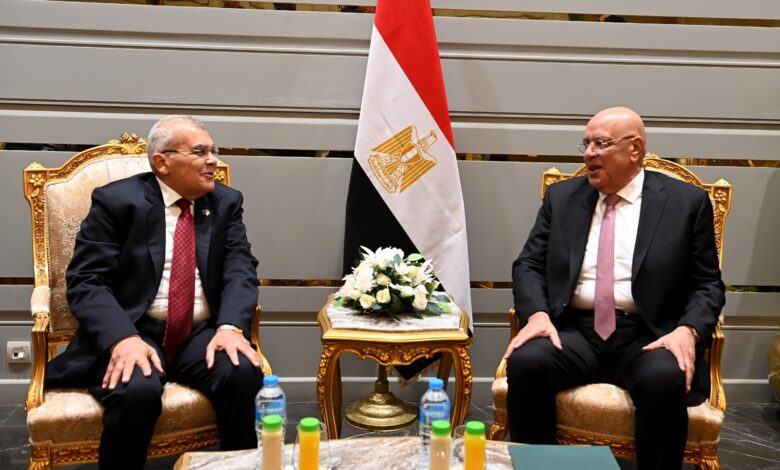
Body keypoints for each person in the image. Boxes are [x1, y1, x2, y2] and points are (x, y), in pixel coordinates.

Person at [504, 107, 724, 469]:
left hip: (648, 334)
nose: (589, 153)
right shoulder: (562, 198)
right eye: (586, 144)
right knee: (527, 363)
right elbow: (529, 264)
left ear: (634, 149)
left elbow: (707, 283)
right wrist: (538, 315)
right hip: (575, 331)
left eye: (601, 144)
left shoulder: (686, 202)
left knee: (664, 378)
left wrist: (688, 330)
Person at [45, 115, 264, 470]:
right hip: (136, 329)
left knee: (241, 373)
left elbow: (240, 269)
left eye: (214, 151)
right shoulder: (117, 202)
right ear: (162, 162)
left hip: (200, 334)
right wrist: (122, 338)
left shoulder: (226, 203)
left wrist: (230, 327)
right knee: (136, 390)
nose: (213, 161)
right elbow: (87, 281)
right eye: (200, 152)